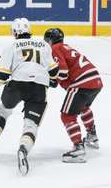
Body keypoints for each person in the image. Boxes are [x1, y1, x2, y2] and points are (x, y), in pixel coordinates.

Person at [0, 18, 59, 175]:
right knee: (31, 125)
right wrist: (50, 79)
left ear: (15, 32)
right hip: (39, 88)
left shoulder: (11, 46)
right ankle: (23, 149)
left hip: (16, 86)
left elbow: (1, 74)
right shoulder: (44, 45)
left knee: (2, 112)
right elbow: (54, 72)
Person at [44, 28, 103, 163]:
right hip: (95, 80)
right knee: (83, 107)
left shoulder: (55, 49)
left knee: (67, 115)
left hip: (81, 83)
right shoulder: (66, 47)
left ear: (50, 40)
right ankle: (92, 136)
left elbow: (63, 72)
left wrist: (52, 79)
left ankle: (78, 148)